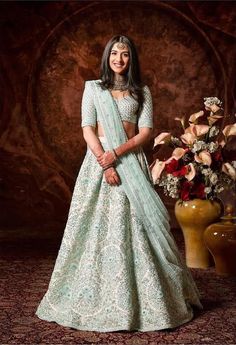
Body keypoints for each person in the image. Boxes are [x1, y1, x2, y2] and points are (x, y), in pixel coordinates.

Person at [35, 35, 202, 332]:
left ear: (131, 59)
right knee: (93, 228)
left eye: (125, 54)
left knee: (138, 226)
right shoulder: (93, 89)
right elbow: (87, 128)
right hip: (98, 163)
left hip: (130, 162)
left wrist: (117, 154)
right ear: (107, 57)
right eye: (114, 53)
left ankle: (147, 299)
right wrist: (104, 161)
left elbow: (145, 132)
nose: (119, 59)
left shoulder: (142, 92)